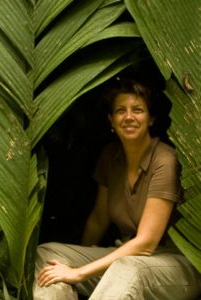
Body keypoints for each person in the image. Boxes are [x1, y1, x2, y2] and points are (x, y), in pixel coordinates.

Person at [33, 78, 201, 299]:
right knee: (48, 254)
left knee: (128, 268)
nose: (129, 116)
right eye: (121, 111)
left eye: (138, 110)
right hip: (126, 255)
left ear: (151, 118)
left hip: (175, 266)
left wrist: (79, 273)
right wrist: (76, 265)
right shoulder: (111, 157)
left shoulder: (164, 160)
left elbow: (146, 244)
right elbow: (99, 220)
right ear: (111, 120)